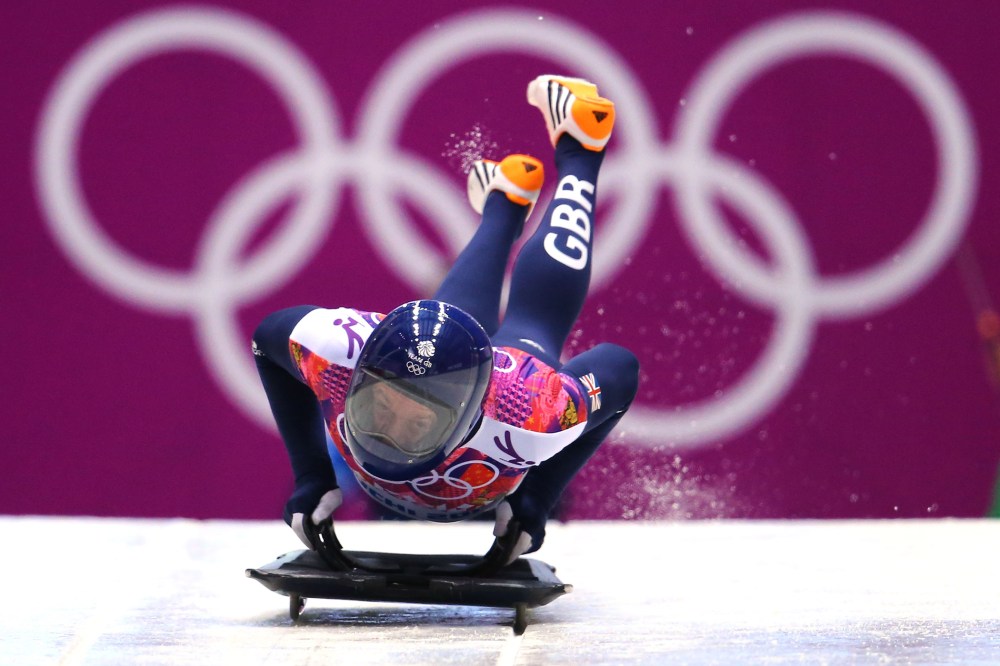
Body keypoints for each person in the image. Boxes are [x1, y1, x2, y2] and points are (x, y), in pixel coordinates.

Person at [252, 75, 639, 562]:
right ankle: (506, 203)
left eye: (417, 425)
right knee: (447, 321)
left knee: (536, 324)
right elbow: (267, 341)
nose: (388, 437)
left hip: (508, 376)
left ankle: (579, 151)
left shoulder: (528, 408)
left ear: (468, 416)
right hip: (428, 381)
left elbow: (620, 369)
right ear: (359, 375)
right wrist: (311, 475)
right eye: (379, 408)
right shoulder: (337, 350)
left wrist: (538, 494)